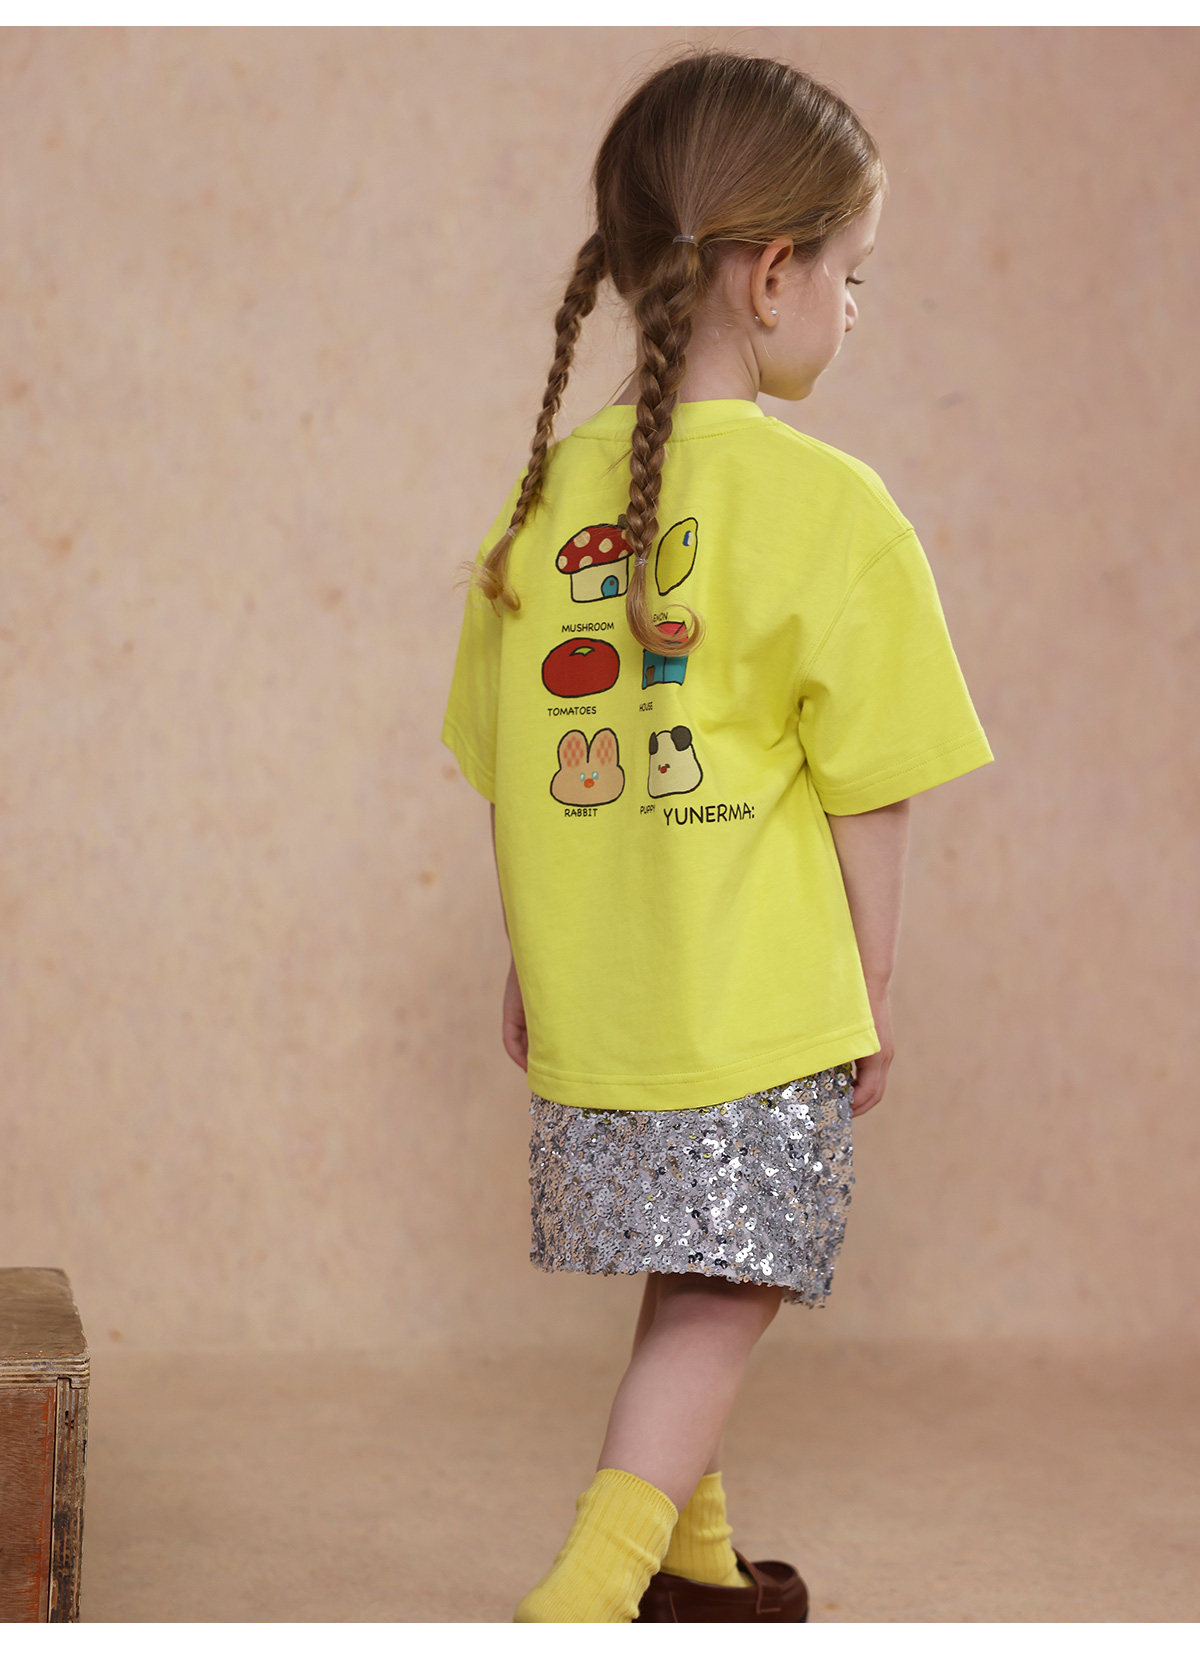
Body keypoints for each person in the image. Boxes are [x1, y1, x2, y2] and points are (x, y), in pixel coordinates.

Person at [440, 46, 994, 1623]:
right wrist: (871, 981)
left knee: (691, 1262)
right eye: (852, 273)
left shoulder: (540, 502)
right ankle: (590, 1589)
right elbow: (872, 783)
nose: (855, 306)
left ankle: (693, 1560)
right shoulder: (834, 514)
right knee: (731, 1281)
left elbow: (519, 766)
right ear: (771, 274)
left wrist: (532, 952)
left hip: (606, 998)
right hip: (757, 1003)